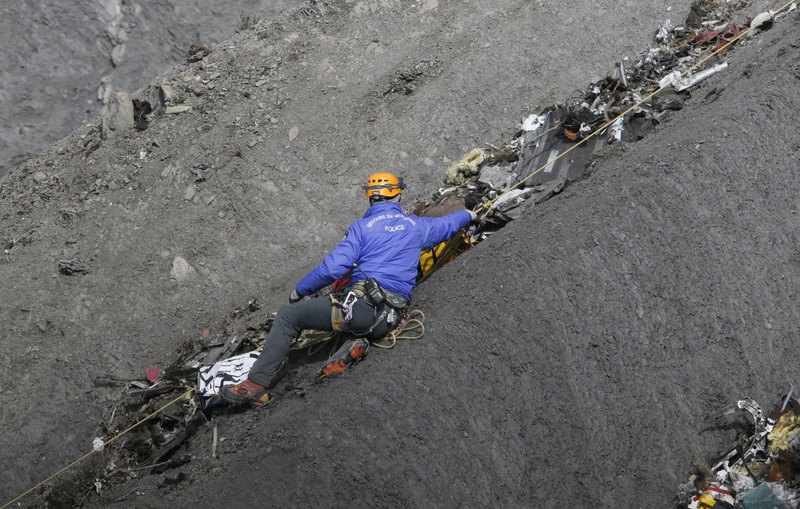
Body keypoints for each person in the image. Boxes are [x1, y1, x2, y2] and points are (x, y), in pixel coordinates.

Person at [221, 172, 476, 408]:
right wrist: (470, 215)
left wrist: (299, 291)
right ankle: (357, 342)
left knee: (289, 316)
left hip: (362, 309)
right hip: (392, 318)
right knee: (353, 318)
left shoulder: (361, 229)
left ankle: (255, 387)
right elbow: (449, 224)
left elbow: (332, 268)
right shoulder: (415, 225)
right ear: (397, 195)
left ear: (371, 197)